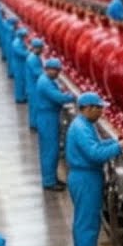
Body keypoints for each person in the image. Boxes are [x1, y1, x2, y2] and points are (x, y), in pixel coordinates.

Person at [65, 92, 123, 246]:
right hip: (85, 178)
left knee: (89, 218)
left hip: (87, 176)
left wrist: (113, 142)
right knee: (86, 220)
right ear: (87, 108)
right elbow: (94, 154)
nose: (101, 112)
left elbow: (97, 145)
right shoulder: (81, 128)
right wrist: (119, 147)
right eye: (98, 108)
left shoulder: (85, 124)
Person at [32, 59, 75, 191]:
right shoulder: (45, 82)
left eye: (58, 71)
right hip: (47, 118)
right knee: (50, 151)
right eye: (55, 70)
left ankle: (52, 177)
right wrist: (74, 97)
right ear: (48, 69)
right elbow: (58, 98)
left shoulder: (48, 80)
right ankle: (49, 181)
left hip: (49, 116)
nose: (58, 73)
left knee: (53, 150)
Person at [25, 39, 47, 131]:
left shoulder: (34, 56)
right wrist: (47, 73)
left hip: (33, 85)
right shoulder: (33, 58)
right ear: (36, 48)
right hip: (33, 87)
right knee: (35, 106)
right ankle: (34, 125)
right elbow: (37, 72)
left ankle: (34, 123)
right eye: (41, 48)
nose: (42, 50)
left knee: (34, 106)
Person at [10, 28, 31, 104]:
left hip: (21, 65)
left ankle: (23, 97)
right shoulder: (17, 43)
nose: (26, 37)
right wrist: (29, 52)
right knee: (20, 82)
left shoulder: (20, 41)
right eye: (25, 35)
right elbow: (22, 53)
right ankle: (20, 98)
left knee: (22, 81)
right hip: (19, 65)